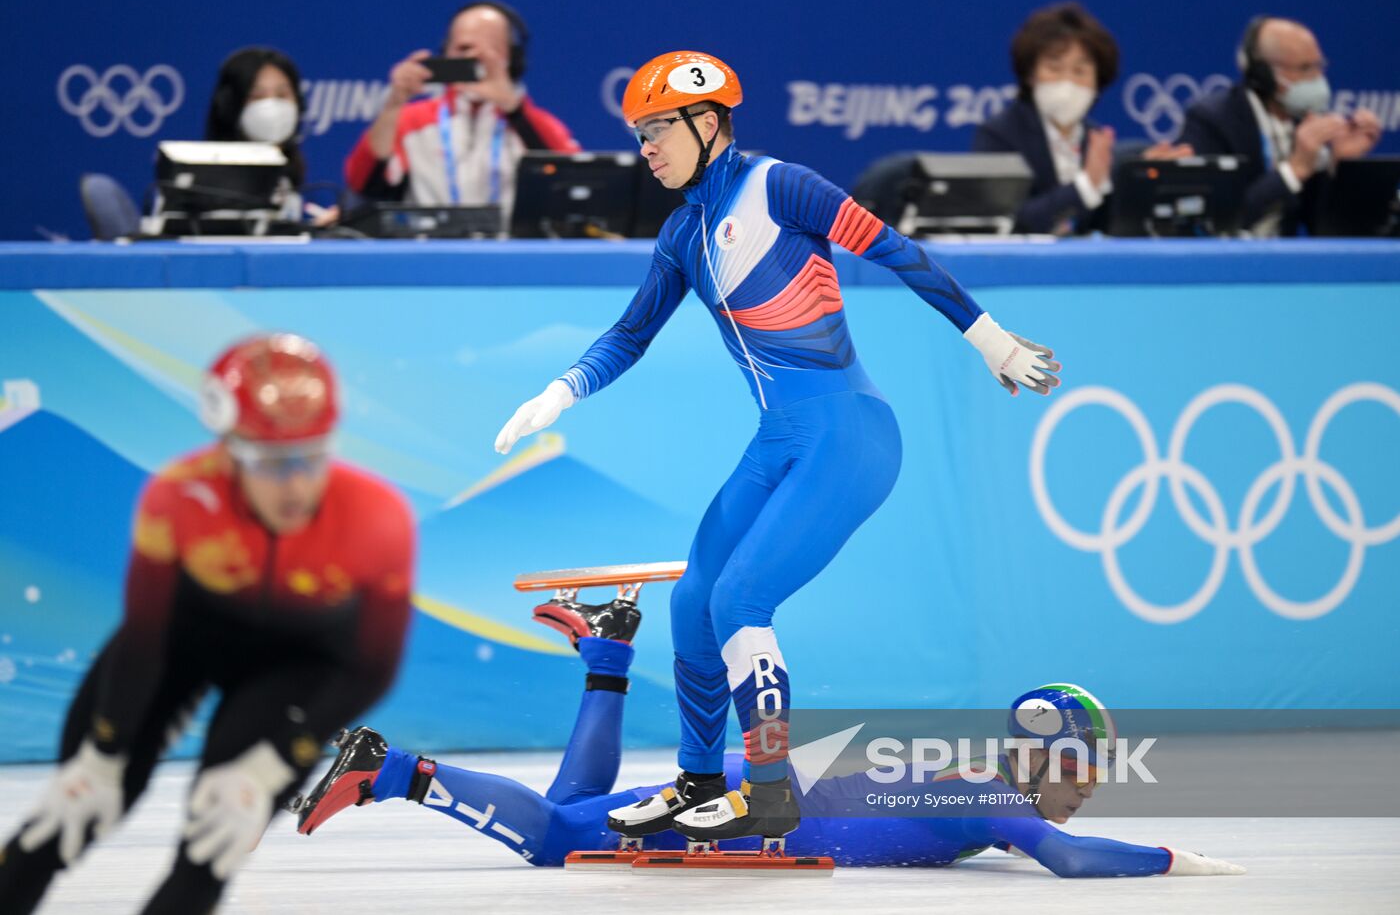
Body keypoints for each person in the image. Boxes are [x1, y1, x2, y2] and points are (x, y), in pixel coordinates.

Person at [491, 51, 1062, 847]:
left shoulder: (782, 185)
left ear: (708, 121)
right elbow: (630, 334)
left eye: (658, 129)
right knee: (693, 604)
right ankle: (697, 782)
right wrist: (560, 391)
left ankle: (766, 789)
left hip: (849, 433)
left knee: (738, 601)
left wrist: (990, 340)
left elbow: (894, 248)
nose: (645, 148)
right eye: (639, 133)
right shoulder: (681, 232)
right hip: (779, 438)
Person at [292, 615, 1244, 878]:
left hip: (766, 798)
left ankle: (610, 657)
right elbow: (1070, 861)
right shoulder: (995, 799)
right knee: (549, 835)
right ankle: (393, 770)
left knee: (577, 804)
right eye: (1084, 769)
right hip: (761, 821)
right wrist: (1172, 860)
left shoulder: (971, 779)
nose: (1089, 790)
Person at [0, 334, 416, 914]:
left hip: (292, 673)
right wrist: (102, 752)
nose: (294, 485)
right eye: (270, 463)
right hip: (179, 647)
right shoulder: (176, 497)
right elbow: (145, 641)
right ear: (227, 449)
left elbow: (372, 668)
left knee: (211, 849)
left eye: (311, 457)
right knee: (61, 823)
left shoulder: (380, 517)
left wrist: (275, 760)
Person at [344, 0, 579, 218]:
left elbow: (575, 182)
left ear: (513, 59)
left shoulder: (533, 123)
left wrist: (513, 107)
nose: (473, 58)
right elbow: (361, 183)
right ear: (446, 53)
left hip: (510, 255)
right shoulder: (411, 120)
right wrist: (393, 104)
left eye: (490, 50)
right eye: (463, 48)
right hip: (430, 252)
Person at [971, 2, 1191, 235]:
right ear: (1030, 74)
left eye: (1080, 71)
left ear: (1098, 82)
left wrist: (1138, 181)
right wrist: (1085, 186)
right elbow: (1006, 223)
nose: (1068, 83)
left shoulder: (1096, 141)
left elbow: (1108, 227)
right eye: (1054, 68)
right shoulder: (1000, 136)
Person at [1177, 15, 1382, 236]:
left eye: (1318, 66)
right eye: (1304, 69)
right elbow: (1218, 219)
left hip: (1287, 263)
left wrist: (1339, 164)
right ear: (1262, 74)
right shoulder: (1212, 120)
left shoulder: (1305, 122)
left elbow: (1323, 229)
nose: (1317, 78)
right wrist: (1294, 170)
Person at [204, 47, 337, 227]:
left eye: (282, 95)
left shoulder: (296, 183)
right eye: (257, 96)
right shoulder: (203, 186)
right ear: (230, 107)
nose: (272, 105)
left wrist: (318, 232)